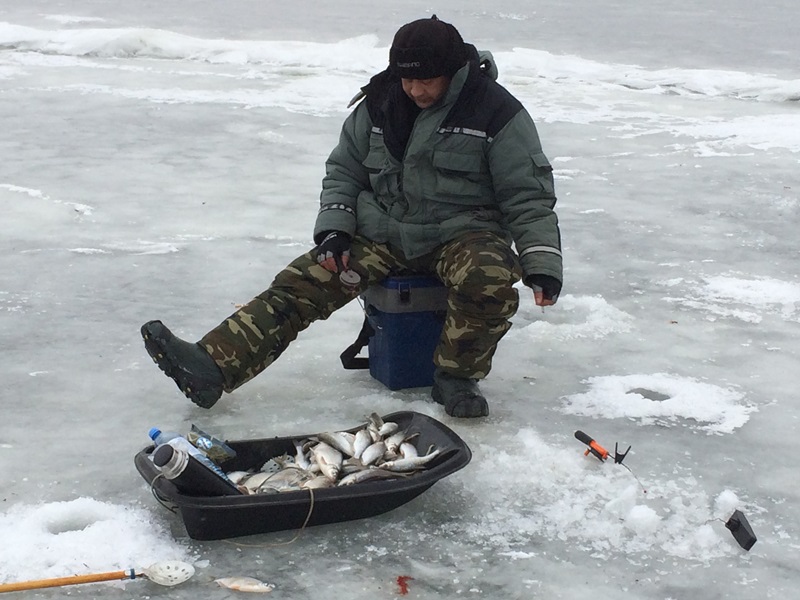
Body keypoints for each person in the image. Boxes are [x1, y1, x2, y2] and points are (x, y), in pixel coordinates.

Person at [141, 15, 562, 419]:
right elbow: (345, 170)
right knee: (303, 281)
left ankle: (457, 379)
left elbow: (527, 194)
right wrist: (335, 228)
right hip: (384, 232)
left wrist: (541, 263)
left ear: (453, 71)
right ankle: (212, 366)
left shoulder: (495, 111)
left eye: (426, 80)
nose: (415, 90)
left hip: (464, 235)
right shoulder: (380, 103)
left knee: (488, 278)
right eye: (407, 79)